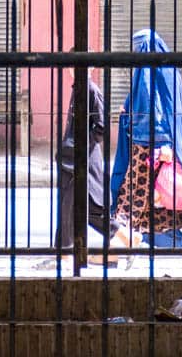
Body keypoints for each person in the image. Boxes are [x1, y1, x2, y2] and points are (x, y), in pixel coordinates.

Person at [109, 28, 182, 250]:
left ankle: (120, 239)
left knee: (136, 191)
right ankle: (136, 236)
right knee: (156, 193)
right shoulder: (167, 70)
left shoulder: (150, 71)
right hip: (161, 141)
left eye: (140, 47)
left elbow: (149, 103)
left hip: (148, 143)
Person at [55, 73, 109, 256]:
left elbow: (101, 125)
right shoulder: (79, 88)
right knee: (70, 207)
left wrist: (83, 145)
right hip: (72, 159)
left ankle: (123, 236)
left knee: (84, 207)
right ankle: (64, 253)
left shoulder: (91, 89)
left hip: (82, 159)